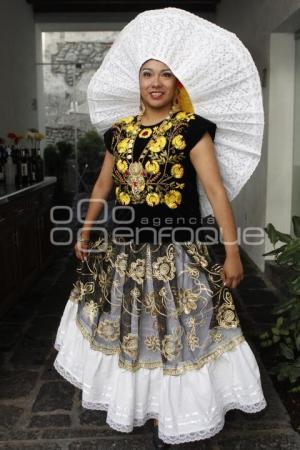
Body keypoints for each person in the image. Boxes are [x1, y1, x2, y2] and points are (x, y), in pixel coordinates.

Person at [53, 58, 267, 449]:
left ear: (176, 83)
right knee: (132, 331)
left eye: (165, 74)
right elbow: (102, 186)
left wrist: (232, 251)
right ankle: (144, 403)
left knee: (184, 330)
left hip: (180, 251)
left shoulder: (192, 130)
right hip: (125, 250)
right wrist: (85, 230)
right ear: (137, 82)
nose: (156, 83)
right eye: (147, 74)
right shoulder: (119, 132)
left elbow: (215, 192)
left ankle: (184, 411)